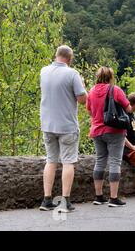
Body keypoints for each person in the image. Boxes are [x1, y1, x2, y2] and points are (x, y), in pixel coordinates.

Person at [39, 45, 87, 212]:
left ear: (56, 55)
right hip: (67, 126)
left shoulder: (43, 71)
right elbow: (82, 100)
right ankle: (65, 201)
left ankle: (46, 200)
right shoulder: (72, 74)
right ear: (70, 58)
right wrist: (83, 85)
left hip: (47, 125)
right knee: (68, 162)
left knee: (50, 161)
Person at [87, 67, 131, 207]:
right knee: (114, 162)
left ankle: (99, 196)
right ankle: (113, 198)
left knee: (100, 161)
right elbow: (128, 108)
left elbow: (89, 110)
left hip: (96, 130)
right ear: (111, 76)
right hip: (114, 130)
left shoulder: (92, 91)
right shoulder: (115, 90)